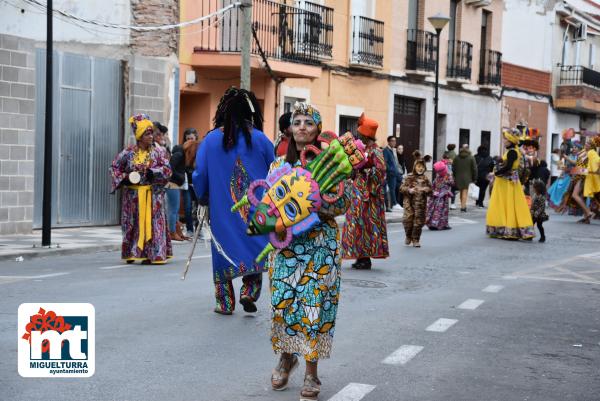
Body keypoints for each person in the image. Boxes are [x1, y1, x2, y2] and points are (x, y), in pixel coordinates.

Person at [268, 102, 350, 400]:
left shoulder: (330, 164)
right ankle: (287, 356)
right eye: (297, 121)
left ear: (317, 130)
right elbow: (267, 205)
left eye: (309, 122)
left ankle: (312, 374)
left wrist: (316, 202)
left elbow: (343, 204)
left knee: (314, 309)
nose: (302, 126)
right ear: (290, 128)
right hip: (287, 249)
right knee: (283, 305)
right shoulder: (278, 166)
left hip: (320, 247)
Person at [193, 87, 274, 315]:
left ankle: (224, 302)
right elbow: (276, 169)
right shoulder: (260, 139)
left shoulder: (210, 140)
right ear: (251, 111)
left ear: (223, 110)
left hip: (222, 209)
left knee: (221, 251)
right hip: (256, 208)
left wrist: (203, 197)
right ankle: (249, 289)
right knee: (254, 247)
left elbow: (199, 174)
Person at [110, 114, 173, 264]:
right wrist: (125, 177)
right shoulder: (128, 152)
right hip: (132, 198)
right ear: (139, 136)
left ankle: (152, 255)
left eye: (151, 133)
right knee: (132, 224)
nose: (151, 136)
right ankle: (132, 252)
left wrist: (155, 173)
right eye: (147, 134)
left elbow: (168, 170)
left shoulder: (158, 152)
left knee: (152, 225)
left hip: (153, 197)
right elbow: (114, 167)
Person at [342, 113, 389, 270]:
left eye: (360, 132)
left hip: (369, 197)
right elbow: (353, 171)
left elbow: (381, 172)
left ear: (366, 134)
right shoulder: (360, 149)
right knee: (356, 226)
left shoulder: (376, 151)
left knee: (366, 227)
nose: (358, 135)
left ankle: (365, 257)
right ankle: (360, 256)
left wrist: (366, 169)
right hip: (357, 195)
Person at [486, 130, 534, 240]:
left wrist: (495, 173)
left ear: (511, 140)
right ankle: (507, 229)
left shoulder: (512, 152)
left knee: (508, 204)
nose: (504, 141)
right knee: (507, 205)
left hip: (508, 183)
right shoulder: (512, 151)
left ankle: (510, 229)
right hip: (505, 182)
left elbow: (509, 167)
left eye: (506, 139)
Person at [401, 152, 432, 247]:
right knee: (407, 220)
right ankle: (408, 235)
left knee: (418, 223)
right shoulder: (409, 177)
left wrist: (427, 190)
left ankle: (415, 239)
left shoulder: (426, 179)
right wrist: (409, 190)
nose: (420, 168)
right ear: (415, 167)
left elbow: (431, 191)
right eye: (418, 166)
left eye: (422, 167)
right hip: (409, 203)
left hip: (420, 205)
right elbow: (401, 188)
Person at [165, 140, 187, 241]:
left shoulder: (179, 154)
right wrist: (180, 177)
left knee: (175, 210)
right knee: (173, 210)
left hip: (174, 185)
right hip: (172, 184)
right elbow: (170, 168)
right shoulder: (179, 155)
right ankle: (172, 232)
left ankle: (177, 232)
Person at [182, 128, 201, 237]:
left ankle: (198, 229)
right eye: (188, 138)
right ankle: (189, 229)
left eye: (192, 138)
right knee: (188, 206)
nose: (190, 140)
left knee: (199, 206)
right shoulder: (181, 149)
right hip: (186, 183)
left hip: (196, 182)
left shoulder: (199, 149)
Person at [426, 161, 454, 230]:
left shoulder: (437, 177)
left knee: (434, 209)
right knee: (443, 210)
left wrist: (433, 192)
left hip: (435, 195)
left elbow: (433, 185)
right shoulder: (448, 176)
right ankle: (440, 224)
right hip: (443, 196)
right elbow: (452, 183)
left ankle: (432, 223)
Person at [452, 144, 477, 212]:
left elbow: (453, 168)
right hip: (468, 177)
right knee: (465, 192)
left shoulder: (456, 157)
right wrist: (475, 178)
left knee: (461, 191)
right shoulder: (471, 157)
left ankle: (463, 205)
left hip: (458, 177)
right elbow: (474, 169)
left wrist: (454, 176)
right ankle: (463, 207)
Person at [383, 136, 403, 212]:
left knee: (396, 187)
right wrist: (391, 170)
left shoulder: (392, 150)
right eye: (392, 141)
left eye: (395, 141)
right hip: (390, 173)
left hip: (395, 173)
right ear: (388, 141)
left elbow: (395, 162)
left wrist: (397, 171)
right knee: (392, 188)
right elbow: (385, 162)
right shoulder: (386, 150)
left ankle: (395, 203)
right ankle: (394, 204)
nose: (394, 142)